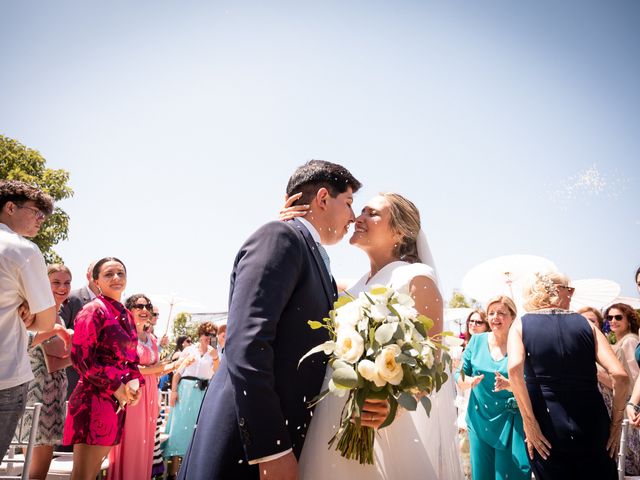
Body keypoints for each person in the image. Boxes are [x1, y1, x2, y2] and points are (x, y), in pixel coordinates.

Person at [178, 160, 363, 480]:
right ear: (322, 198)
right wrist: (271, 448)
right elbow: (247, 344)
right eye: (348, 203)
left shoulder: (311, 254)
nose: (353, 216)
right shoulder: (281, 237)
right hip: (248, 446)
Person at [293, 192, 461, 479]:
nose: (358, 218)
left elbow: (431, 359)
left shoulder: (416, 277)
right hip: (332, 417)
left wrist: (393, 408)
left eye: (372, 213)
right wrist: (292, 225)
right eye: (360, 211)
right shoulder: (350, 286)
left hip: (380, 420)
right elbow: (303, 272)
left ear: (400, 232)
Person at [507, 272, 628, 479]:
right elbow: (620, 375)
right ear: (552, 291)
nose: (572, 294)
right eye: (569, 289)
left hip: (546, 427)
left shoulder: (520, 325)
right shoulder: (587, 325)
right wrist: (616, 424)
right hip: (593, 424)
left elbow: (514, 369)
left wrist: (530, 422)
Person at [62, 257, 143, 480]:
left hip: (115, 401)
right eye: (108, 274)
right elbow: (81, 359)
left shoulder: (125, 314)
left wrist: (135, 387)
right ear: (95, 280)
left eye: (120, 273)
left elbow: (131, 359)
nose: (116, 278)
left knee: (93, 472)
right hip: (93, 399)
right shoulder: (92, 311)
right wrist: (116, 386)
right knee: (83, 475)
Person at [0, 179, 57, 461]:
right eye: (36, 212)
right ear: (10, 207)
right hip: (4, 375)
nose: (41, 220)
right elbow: (47, 322)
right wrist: (30, 309)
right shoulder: (21, 249)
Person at [107, 294, 187, 480]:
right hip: (132, 393)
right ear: (129, 310)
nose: (144, 310)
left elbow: (156, 371)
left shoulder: (151, 338)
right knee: (131, 441)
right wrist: (156, 369)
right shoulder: (124, 334)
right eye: (139, 306)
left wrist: (177, 364)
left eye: (147, 306)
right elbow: (126, 368)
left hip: (151, 393)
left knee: (146, 443)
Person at [456, 296, 530, 480]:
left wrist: (511, 385)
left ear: (513, 316)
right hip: (479, 418)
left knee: (510, 475)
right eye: (491, 313)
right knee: (482, 475)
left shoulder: (522, 343)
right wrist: (469, 381)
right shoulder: (476, 341)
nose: (495, 317)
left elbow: (531, 382)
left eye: (501, 313)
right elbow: (459, 374)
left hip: (511, 421)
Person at [15, 264, 73, 479]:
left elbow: (59, 359)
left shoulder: (59, 315)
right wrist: (56, 331)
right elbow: (23, 343)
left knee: (41, 464)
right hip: (36, 394)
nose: (62, 287)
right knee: (36, 465)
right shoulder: (34, 310)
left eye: (67, 282)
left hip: (54, 394)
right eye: (56, 282)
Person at [164, 321, 219, 479]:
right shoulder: (189, 350)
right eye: (206, 334)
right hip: (185, 391)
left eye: (212, 335)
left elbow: (218, 372)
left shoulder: (216, 353)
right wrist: (174, 391)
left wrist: (215, 357)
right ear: (200, 335)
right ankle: (171, 473)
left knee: (196, 431)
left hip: (203, 393)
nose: (208, 338)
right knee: (178, 429)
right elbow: (177, 372)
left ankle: (190, 473)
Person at [598, 302, 640, 475]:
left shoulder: (629, 341)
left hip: (630, 402)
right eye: (609, 317)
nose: (613, 321)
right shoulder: (619, 340)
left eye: (618, 317)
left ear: (629, 320)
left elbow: (634, 376)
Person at [456, 309, 490, 478]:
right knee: (465, 458)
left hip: (477, 407)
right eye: (471, 321)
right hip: (461, 402)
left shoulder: (487, 349)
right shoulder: (461, 349)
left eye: (478, 322)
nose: (473, 325)